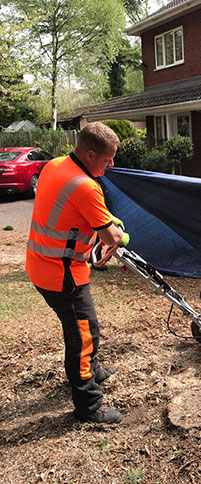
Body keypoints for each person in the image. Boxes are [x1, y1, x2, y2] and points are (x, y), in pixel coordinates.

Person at [25, 122, 129, 425]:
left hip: (41, 266)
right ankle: (88, 404)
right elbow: (109, 238)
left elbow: (75, 210)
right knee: (82, 336)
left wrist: (106, 218)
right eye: (108, 159)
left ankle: (93, 369)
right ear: (91, 154)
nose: (111, 165)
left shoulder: (55, 165)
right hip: (63, 276)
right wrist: (119, 236)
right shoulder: (87, 187)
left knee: (87, 327)